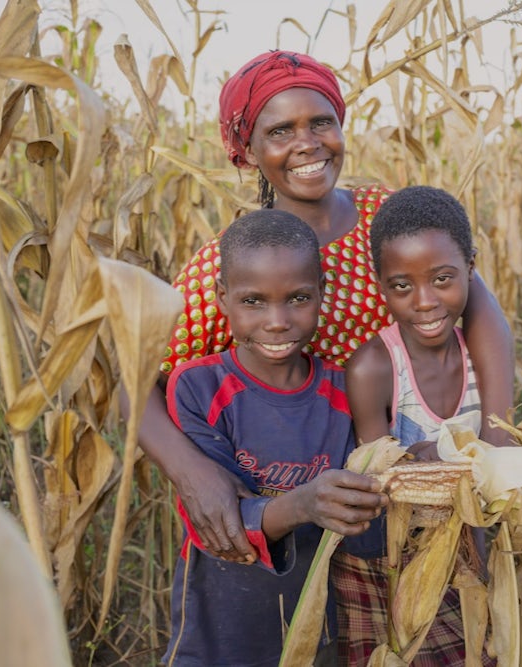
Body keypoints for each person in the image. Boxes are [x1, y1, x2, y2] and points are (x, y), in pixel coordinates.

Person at [137, 49, 514, 662]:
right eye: (279, 130)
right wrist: (192, 471)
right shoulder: (227, 264)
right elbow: (133, 379)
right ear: (247, 150)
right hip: (300, 507)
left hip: (417, 493)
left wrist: (496, 439)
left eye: (321, 122)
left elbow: (479, 308)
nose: (306, 143)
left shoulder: (383, 217)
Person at [162, 209, 387, 666]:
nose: (278, 321)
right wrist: (306, 504)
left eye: (298, 298)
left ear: (322, 295)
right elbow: (220, 525)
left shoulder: (346, 392)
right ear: (223, 297)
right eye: (254, 302)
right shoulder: (197, 388)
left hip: (317, 627)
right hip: (217, 630)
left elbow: (367, 525)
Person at [342, 185, 495, 665]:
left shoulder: (482, 354)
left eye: (442, 279)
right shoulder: (374, 367)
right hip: (392, 564)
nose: (424, 302)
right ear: (381, 284)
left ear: (471, 267)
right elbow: (377, 469)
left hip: (474, 550)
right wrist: (417, 462)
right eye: (401, 286)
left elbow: (499, 447)